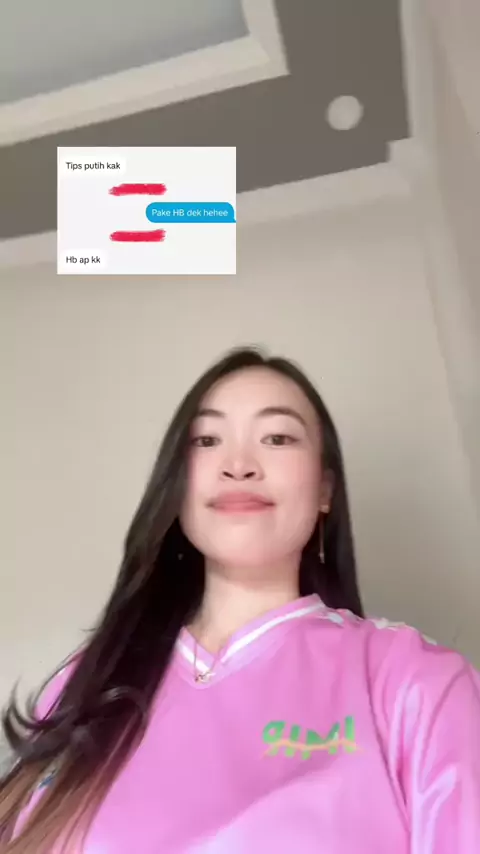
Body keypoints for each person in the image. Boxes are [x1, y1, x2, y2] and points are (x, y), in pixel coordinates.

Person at [1, 347, 479, 853]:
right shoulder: (87, 680)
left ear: (325, 490)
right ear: (177, 484)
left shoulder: (415, 682)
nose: (238, 465)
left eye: (277, 438)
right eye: (207, 440)